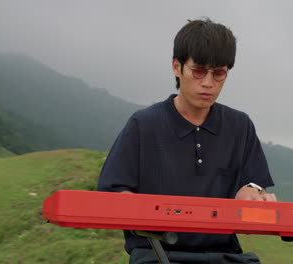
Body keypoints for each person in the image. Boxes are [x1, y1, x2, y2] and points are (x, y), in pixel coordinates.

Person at [97, 18, 277, 264]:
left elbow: (255, 183)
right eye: (199, 71)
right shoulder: (143, 125)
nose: (208, 83)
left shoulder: (240, 126)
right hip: (157, 254)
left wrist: (253, 191)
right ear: (176, 66)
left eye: (219, 73)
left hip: (224, 255)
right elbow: (111, 191)